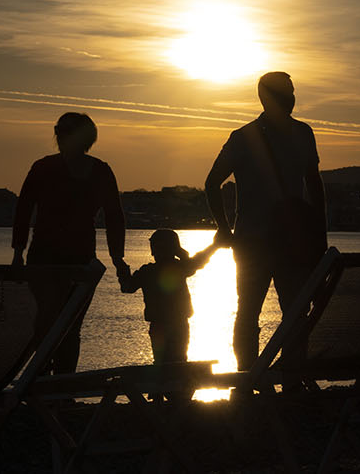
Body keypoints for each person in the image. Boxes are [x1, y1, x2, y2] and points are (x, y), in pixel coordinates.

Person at [204, 71, 327, 371]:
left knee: (256, 313)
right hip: (276, 241)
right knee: (280, 312)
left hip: (268, 241)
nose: (292, 98)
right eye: (287, 92)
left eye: (292, 91)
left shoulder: (250, 137)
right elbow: (315, 186)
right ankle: (276, 377)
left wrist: (225, 228)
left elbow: (211, 184)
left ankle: (254, 380)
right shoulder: (293, 134)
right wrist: (318, 235)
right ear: (266, 96)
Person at [13, 112, 129, 374]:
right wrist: (117, 258)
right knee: (63, 325)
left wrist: (18, 252)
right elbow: (114, 217)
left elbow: (114, 216)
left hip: (63, 258)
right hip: (60, 258)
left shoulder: (47, 168)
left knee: (56, 324)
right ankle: (53, 387)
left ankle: (48, 386)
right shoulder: (93, 170)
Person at [119, 229, 228, 364]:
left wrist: (121, 267)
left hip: (162, 325)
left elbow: (127, 287)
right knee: (178, 361)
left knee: (163, 362)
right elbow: (197, 262)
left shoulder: (147, 271)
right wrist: (213, 246)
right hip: (176, 324)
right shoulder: (179, 267)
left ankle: (167, 383)